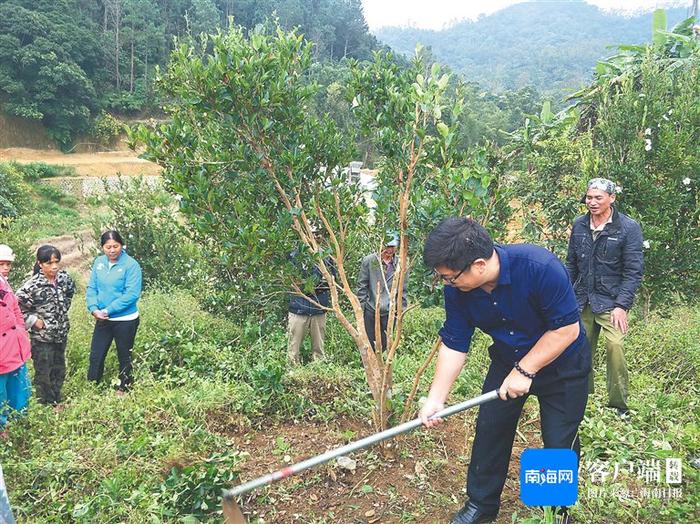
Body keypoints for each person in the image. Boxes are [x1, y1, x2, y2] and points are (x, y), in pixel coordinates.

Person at [419, 218, 590, 524]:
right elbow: (456, 342)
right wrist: (436, 399)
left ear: (479, 264)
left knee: (558, 439)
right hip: (507, 360)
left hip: (563, 363)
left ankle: (554, 511)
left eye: (450, 277)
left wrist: (526, 370)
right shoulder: (457, 289)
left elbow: (566, 330)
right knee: (490, 429)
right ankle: (480, 506)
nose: (447, 283)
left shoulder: (540, 267)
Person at [566, 178, 643, 417]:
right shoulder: (579, 225)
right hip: (582, 299)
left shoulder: (628, 228)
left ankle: (619, 405)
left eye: (598, 197)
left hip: (611, 302)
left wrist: (622, 306)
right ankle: (580, 398)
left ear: (612, 199)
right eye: (589, 197)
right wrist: (564, 293)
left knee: (615, 346)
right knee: (579, 349)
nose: (592, 202)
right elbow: (571, 264)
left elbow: (633, 271)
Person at [16, 245, 76, 407]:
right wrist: (34, 321)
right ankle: (46, 405)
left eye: (56, 262)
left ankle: (57, 399)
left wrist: (62, 311)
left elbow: (70, 292)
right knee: (44, 372)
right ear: (40, 264)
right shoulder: (32, 286)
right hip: (42, 338)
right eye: (49, 263)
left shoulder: (64, 279)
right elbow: (17, 309)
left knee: (59, 369)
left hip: (60, 333)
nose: (54, 266)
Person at [86, 231, 142, 393]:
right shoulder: (99, 263)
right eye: (108, 247)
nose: (112, 250)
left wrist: (108, 310)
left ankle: (125, 388)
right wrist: (93, 308)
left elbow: (131, 294)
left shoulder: (131, 265)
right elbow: (92, 288)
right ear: (102, 247)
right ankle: (92, 388)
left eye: (115, 246)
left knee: (124, 355)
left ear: (121, 245)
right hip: (102, 318)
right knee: (96, 355)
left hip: (125, 319)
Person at [0, 245, 32, 436]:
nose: (5, 268)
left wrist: (21, 330)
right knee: (1, 391)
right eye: (1, 264)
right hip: (2, 348)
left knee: (19, 388)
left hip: (15, 345)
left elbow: (16, 311)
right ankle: (2, 427)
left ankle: (19, 423)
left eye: (8, 264)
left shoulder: (6, 284)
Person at [356, 237, 408, 351]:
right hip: (371, 310)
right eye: (387, 246)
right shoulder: (369, 260)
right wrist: (361, 309)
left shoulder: (401, 263)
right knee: (369, 344)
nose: (389, 250)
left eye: (392, 247)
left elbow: (403, 290)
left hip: (390, 311)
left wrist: (400, 311)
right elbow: (362, 286)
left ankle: (382, 367)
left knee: (385, 344)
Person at [287, 251, 335, 366]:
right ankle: (292, 370)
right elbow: (290, 281)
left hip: (318, 307)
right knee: (294, 346)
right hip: (298, 307)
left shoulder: (326, 256)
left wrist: (312, 285)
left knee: (319, 347)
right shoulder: (293, 254)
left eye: (315, 234)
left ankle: (318, 368)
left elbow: (331, 281)